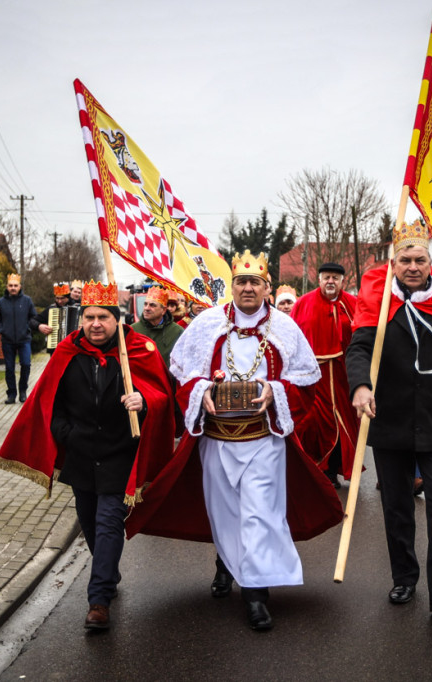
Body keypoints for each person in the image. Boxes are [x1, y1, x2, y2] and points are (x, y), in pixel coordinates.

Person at [126, 250, 343, 631]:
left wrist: (275, 392)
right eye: (241, 282)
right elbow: (184, 376)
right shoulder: (208, 324)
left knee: (259, 513)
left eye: (254, 282)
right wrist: (201, 392)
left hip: (264, 442)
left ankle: (257, 595)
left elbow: (306, 385)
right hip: (216, 441)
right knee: (226, 514)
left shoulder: (285, 328)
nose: (247, 288)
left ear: (266, 288)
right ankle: (226, 564)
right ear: (233, 287)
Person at [0, 281, 176, 631]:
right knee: (90, 522)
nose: (96, 324)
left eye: (103, 318)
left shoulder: (140, 349)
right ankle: (108, 571)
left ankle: (99, 601)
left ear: (117, 320)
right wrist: (67, 435)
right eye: (90, 316)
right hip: (81, 455)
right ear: (82, 318)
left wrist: (143, 400)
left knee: (110, 521)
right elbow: (51, 403)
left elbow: (162, 395)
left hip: (119, 453)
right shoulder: (67, 351)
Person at [346, 220, 432, 613]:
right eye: (404, 259)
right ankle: (404, 579)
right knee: (397, 504)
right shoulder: (377, 301)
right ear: (393, 264)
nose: (412, 266)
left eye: (419, 259)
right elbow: (357, 350)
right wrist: (360, 387)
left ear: (430, 262)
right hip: (387, 417)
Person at [291, 262, 360, 489]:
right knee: (316, 423)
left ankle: (338, 468)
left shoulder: (352, 304)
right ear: (319, 279)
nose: (331, 281)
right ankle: (320, 469)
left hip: (344, 376)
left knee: (344, 425)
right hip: (314, 376)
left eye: (335, 278)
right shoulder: (303, 304)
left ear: (342, 281)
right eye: (326, 277)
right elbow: (292, 339)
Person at [0, 273, 38, 404]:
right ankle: (11, 394)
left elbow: (33, 317)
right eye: (10, 285)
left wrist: (27, 328)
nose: (13, 288)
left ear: (20, 286)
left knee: (26, 364)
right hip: (7, 340)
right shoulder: (1, 302)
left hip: (24, 339)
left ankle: (23, 390)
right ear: (7, 287)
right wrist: (2, 330)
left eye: (15, 285)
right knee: (9, 368)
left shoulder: (27, 301)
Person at [131, 286, 183, 365]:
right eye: (145, 304)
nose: (147, 308)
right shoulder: (133, 330)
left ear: (163, 310)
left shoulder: (177, 332)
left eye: (152, 305)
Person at [32, 282, 71, 356]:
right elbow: (32, 321)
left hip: (73, 350)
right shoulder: (51, 309)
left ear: (68, 298)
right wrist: (39, 326)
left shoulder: (77, 309)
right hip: (56, 349)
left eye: (62, 298)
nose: (59, 301)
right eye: (57, 298)